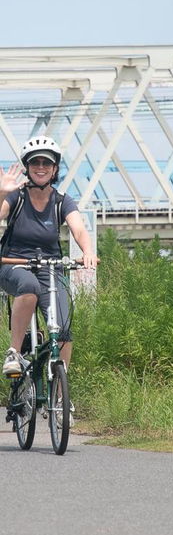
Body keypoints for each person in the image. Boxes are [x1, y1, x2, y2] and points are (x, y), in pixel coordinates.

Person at [0, 136, 98, 396]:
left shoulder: (62, 200)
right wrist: (1, 192)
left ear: (55, 169)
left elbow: (78, 228)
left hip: (51, 267)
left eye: (47, 162)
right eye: (35, 163)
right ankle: (14, 353)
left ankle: (59, 396)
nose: (40, 167)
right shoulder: (15, 197)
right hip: (13, 264)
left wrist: (87, 252)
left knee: (64, 329)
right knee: (29, 287)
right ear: (27, 167)